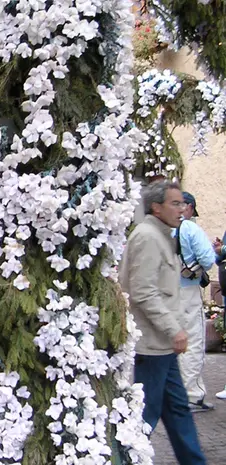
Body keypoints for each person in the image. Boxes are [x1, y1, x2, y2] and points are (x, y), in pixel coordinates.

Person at [119, 181, 206, 464]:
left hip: (163, 346)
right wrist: (174, 328)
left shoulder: (161, 234)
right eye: (175, 203)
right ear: (156, 207)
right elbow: (143, 291)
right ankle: (125, 458)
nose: (182, 209)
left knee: (178, 410)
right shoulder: (147, 236)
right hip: (152, 345)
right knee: (145, 415)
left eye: (183, 203)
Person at [175, 192, 217, 412]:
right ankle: (192, 395)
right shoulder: (189, 228)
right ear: (188, 207)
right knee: (192, 342)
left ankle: (174, 392)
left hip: (165, 291)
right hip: (188, 290)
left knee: (173, 343)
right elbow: (208, 260)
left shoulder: (160, 227)